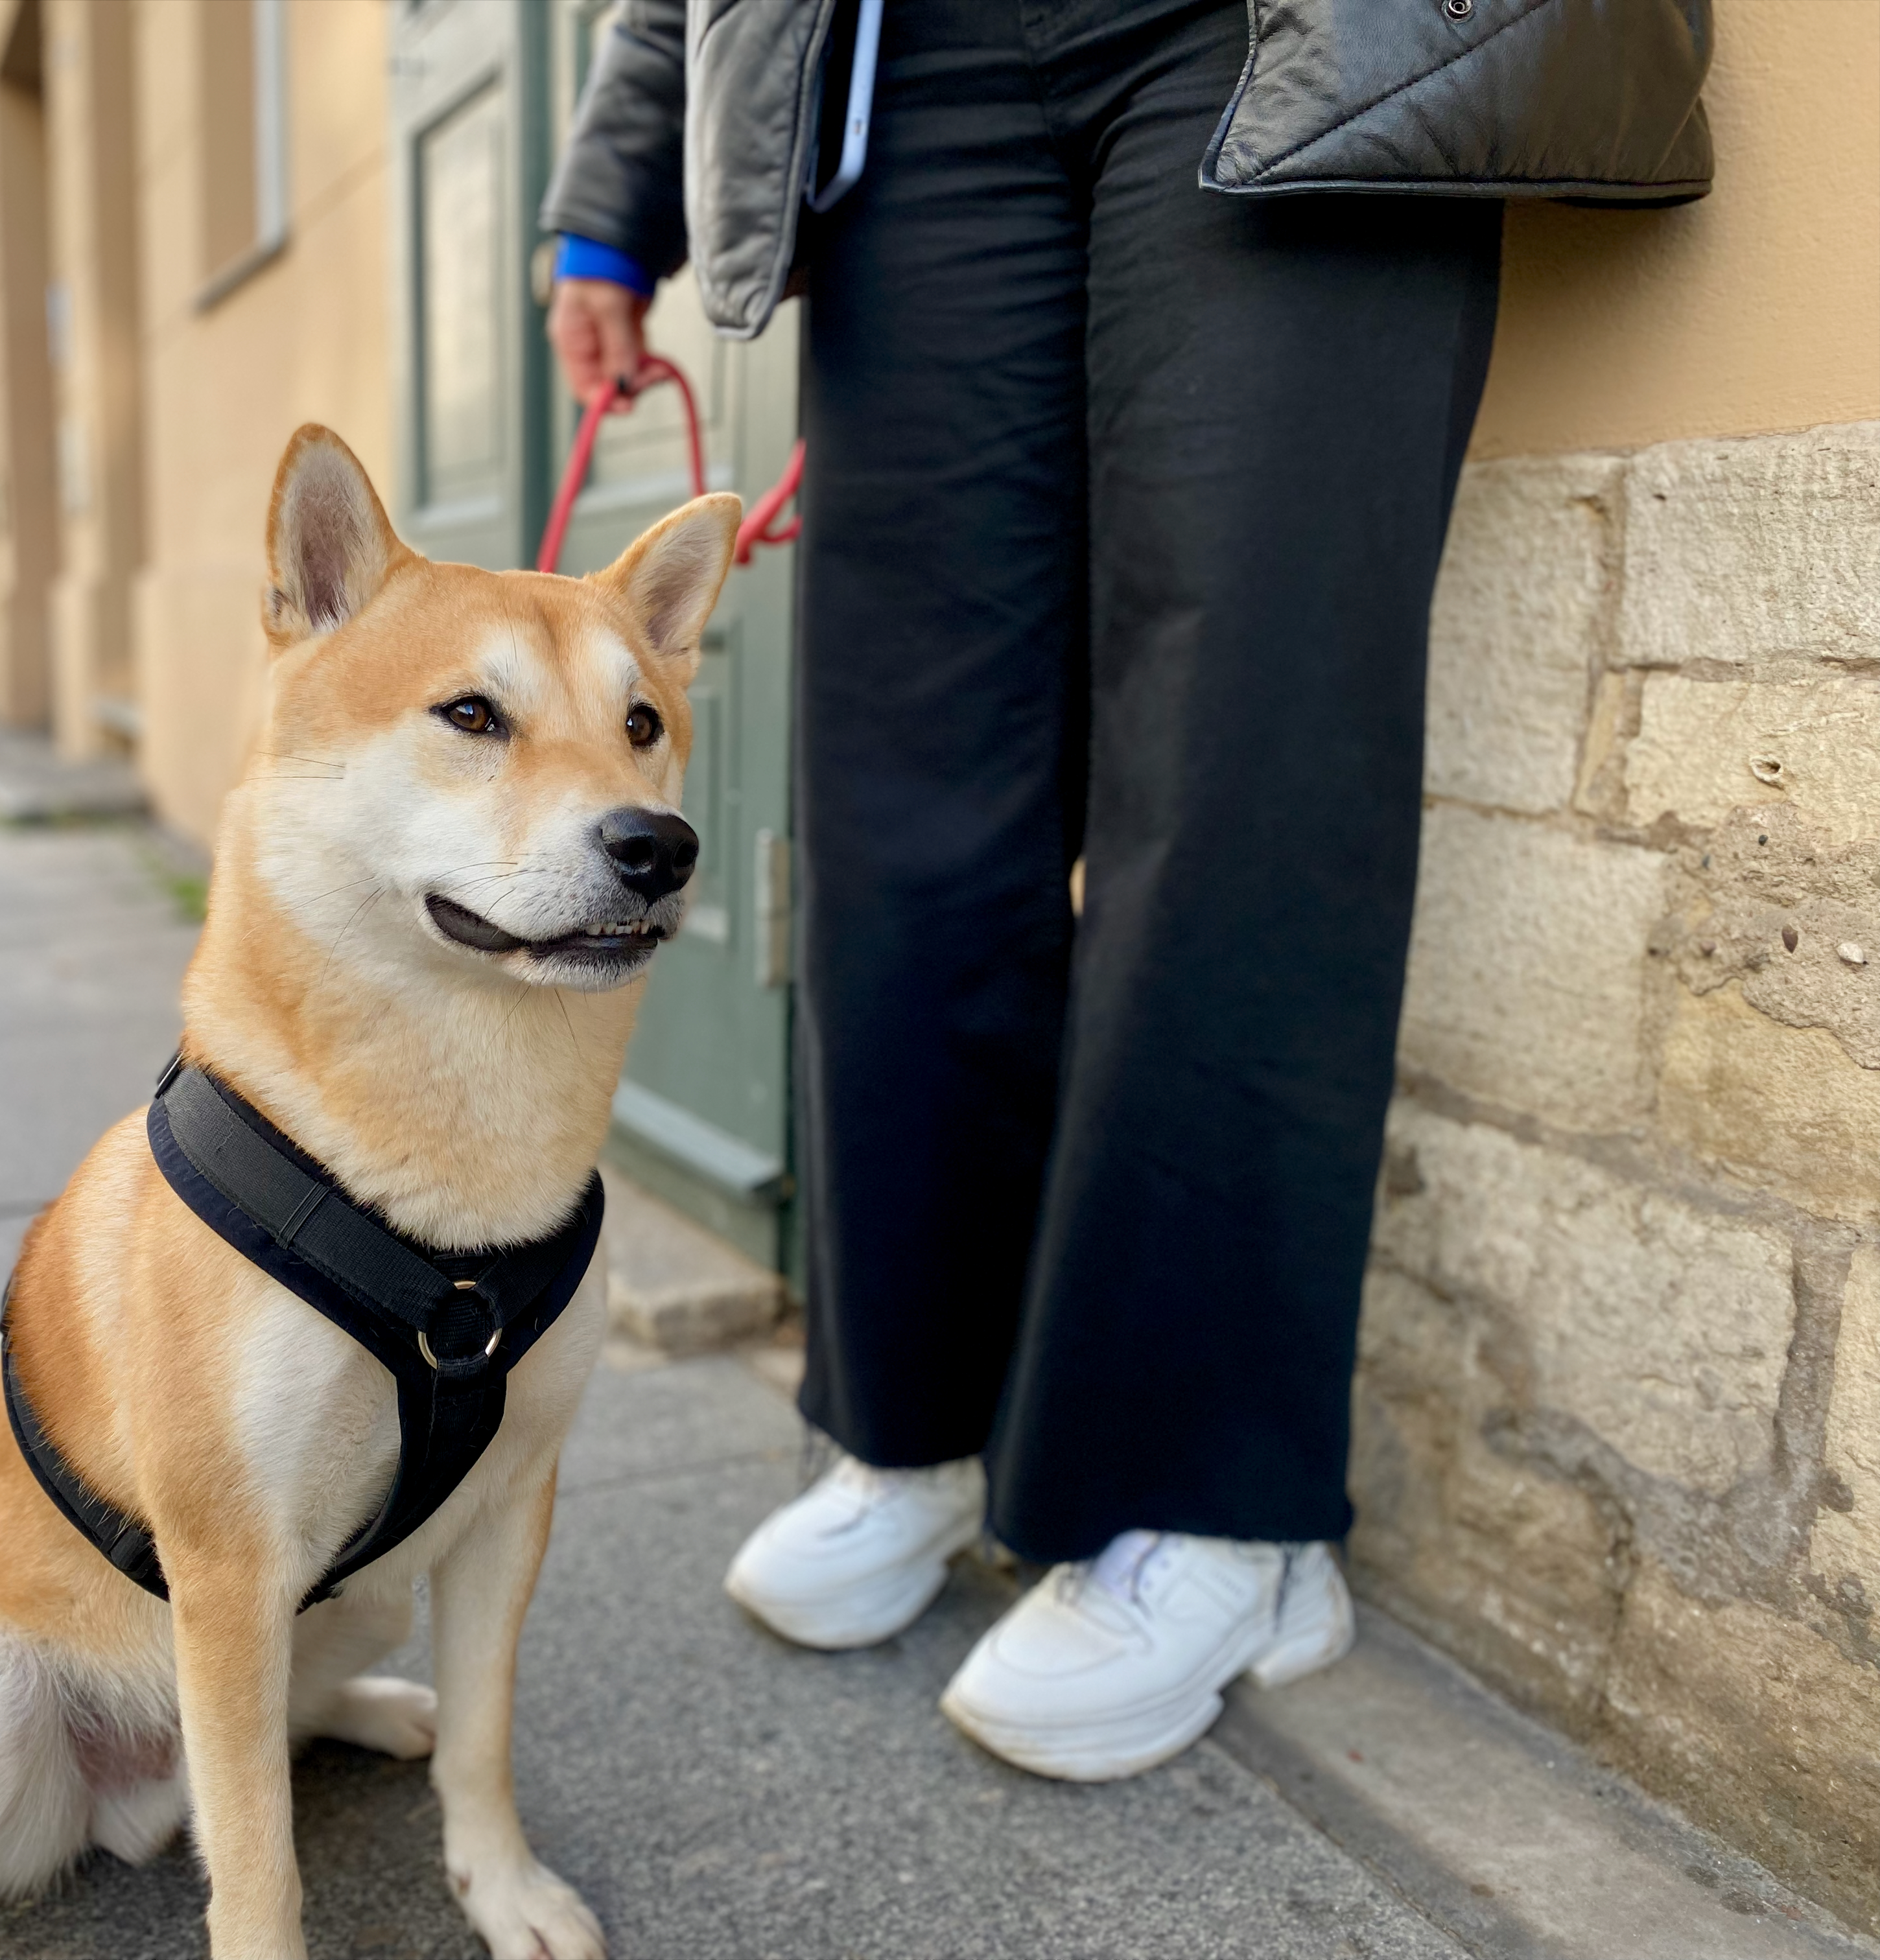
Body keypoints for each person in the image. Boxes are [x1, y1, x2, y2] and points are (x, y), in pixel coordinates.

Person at [540, 0, 1698, 1784]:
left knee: (1240, 766)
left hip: (1285, 36)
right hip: (911, 65)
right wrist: (620, 182)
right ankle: (921, 1426)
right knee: (907, 793)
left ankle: (1220, 1509)